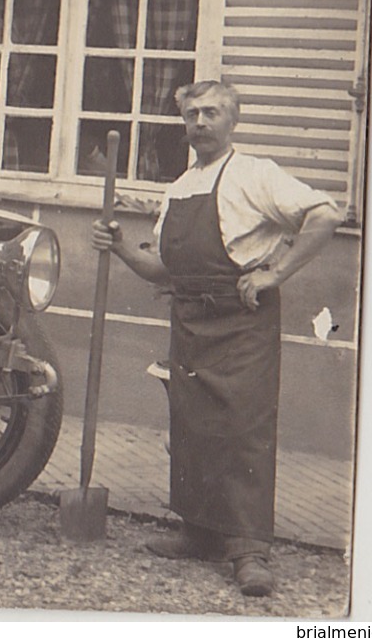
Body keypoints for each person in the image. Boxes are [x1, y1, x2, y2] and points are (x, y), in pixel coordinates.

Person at [90, 80, 342, 598]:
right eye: (191, 115)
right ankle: (199, 531)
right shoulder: (180, 186)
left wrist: (275, 274)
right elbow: (162, 269)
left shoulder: (255, 174)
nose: (199, 123)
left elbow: (325, 215)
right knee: (191, 423)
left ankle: (249, 550)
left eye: (210, 113)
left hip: (242, 320)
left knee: (241, 427)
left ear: (232, 121)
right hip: (189, 318)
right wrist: (118, 248)